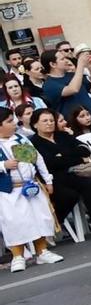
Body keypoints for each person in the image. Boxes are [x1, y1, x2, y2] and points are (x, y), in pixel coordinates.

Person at [29, 107, 91, 239]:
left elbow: (84, 150)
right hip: (59, 177)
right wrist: (72, 157)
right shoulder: (34, 143)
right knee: (90, 184)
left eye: (51, 120)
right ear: (35, 124)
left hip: (83, 170)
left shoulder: (62, 135)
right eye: (45, 121)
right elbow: (50, 163)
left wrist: (63, 155)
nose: (50, 123)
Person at [0, 110, 61, 271]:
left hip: (30, 185)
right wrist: (3, 166)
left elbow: (37, 158)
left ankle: (42, 251)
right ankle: (18, 256)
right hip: (9, 190)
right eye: (8, 121)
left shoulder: (21, 139)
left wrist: (47, 180)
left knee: (39, 218)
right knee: (15, 223)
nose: (14, 124)